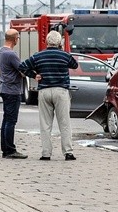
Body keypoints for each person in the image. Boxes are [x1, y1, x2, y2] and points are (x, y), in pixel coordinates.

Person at [18, 31, 79, 161]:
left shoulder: (38, 56)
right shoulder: (64, 55)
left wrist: (34, 75)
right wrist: (63, 51)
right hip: (61, 91)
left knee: (45, 124)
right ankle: (68, 152)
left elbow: (22, 67)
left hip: (44, 91)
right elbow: (75, 65)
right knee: (64, 123)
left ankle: (46, 154)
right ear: (59, 43)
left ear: (46, 42)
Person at [0, 29, 27, 159]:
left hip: (4, 88)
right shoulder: (11, 54)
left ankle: (5, 148)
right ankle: (10, 150)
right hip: (12, 90)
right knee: (11, 121)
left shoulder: (0, 51)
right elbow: (22, 70)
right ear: (15, 39)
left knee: (6, 120)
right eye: (18, 38)